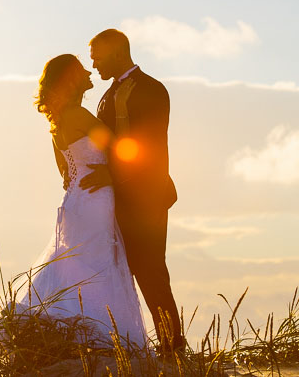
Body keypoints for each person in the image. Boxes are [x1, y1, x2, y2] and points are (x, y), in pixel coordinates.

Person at [17, 53, 147, 348]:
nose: (89, 72)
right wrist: (113, 177)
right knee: (98, 266)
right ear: (71, 79)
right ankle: (102, 338)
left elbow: (65, 174)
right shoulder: (79, 116)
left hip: (76, 199)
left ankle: (72, 335)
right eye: (81, 70)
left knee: (76, 266)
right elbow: (120, 149)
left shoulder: (59, 121)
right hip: (96, 199)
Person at [81, 29, 186, 352]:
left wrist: (110, 173)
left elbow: (146, 147)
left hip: (145, 198)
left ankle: (173, 347)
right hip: (121, 197)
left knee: (151, 269)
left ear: (115, 52)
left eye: (97, 55)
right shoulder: (111, 91)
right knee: (136, 270)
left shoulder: (150, 89)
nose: (93, 63)